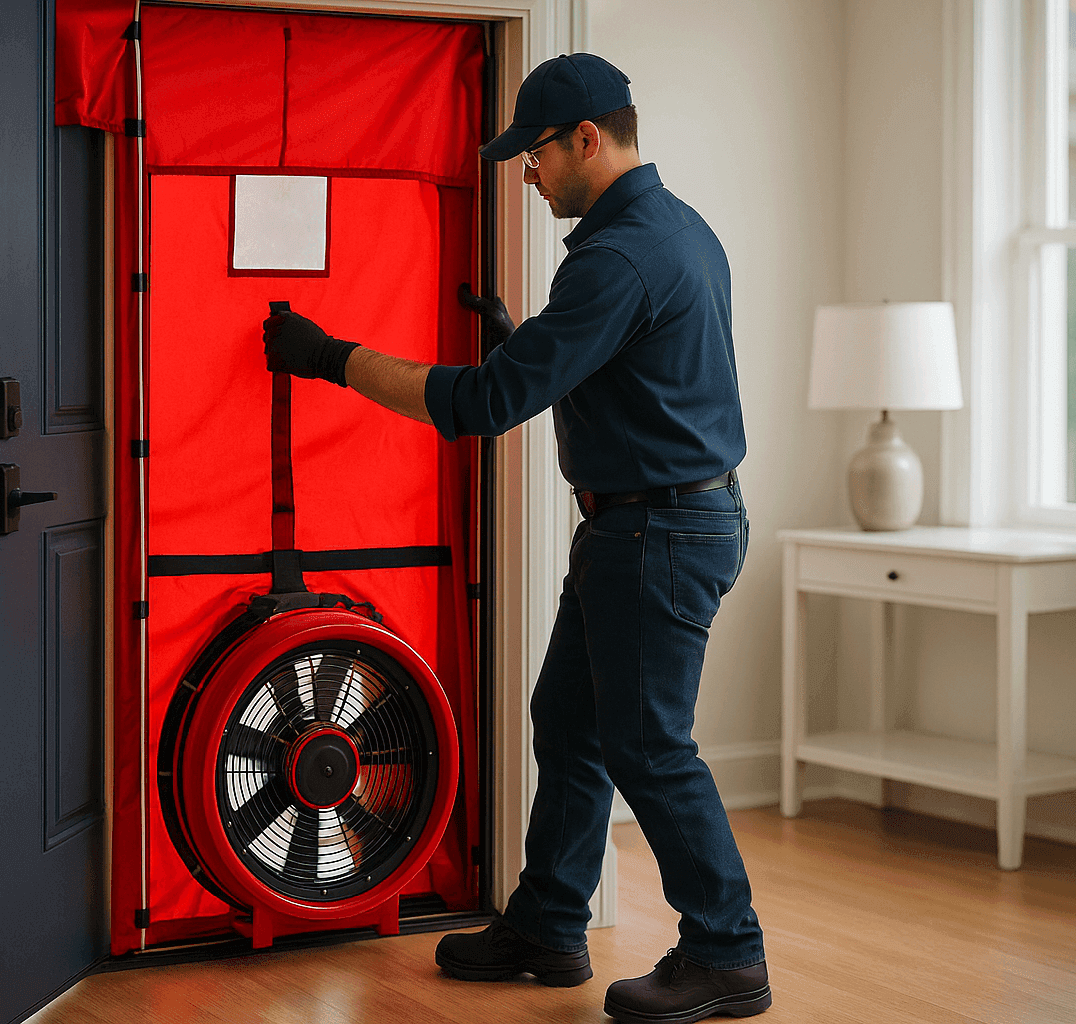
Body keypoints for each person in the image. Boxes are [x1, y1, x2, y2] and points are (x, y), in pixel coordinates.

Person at [261, 52, 769, 1024]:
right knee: (569, 722)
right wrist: (527, 339)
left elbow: (487, 405)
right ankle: (548, 924)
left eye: (533, 155)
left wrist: (330, 358)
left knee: (650, 745)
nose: (525, 174)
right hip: (652, 519)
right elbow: (638, 377)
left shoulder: (618, 256)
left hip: (658, 530)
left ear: (586, 138)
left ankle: (727, 949)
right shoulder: (675, 231)